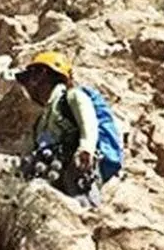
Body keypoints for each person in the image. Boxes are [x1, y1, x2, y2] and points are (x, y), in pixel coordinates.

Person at [14, 51, 101, 199]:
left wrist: (86, 148)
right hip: (49, 181)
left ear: (42, 74)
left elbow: (89, 123)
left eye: (31, 77)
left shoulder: (72, 97)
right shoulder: (41, 120)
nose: (28, 87)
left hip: (74, 178)